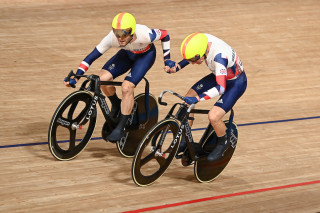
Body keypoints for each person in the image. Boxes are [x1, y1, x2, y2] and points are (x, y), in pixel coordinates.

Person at [64, 12, 175, 142]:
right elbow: (91, 57)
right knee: (102, 79)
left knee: (126, 87)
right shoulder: (112, 38)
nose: (120, 38)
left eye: (124, 34)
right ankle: (116, 103)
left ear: (132, 32)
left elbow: (165, 34)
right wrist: (77, 76)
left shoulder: (145, 35)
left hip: (145, 57)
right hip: (127, 54)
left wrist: (167, 59)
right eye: (117, 33)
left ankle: (121, 128)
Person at [165, 32, 247, 162]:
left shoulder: (219, 57)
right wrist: (178, 67)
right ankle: (186, 139)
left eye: (194, 60)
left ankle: (222, 142)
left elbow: (221, 88)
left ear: (201, 53)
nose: (192, 63)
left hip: (235, 83)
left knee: (213, 116)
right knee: (188, 97)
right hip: (219, 75)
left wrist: (197, 99)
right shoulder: (200, 41)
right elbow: (191, 54)